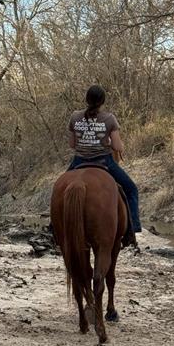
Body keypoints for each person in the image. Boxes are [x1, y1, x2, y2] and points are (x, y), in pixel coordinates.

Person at [67, 85, 141, 245]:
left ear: (86, 99)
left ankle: (53, 228)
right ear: (102, 101)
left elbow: (72, 144)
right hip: (103, 161)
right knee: (131, 189)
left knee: (58, 190)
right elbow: (117, 147)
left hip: (79, 161)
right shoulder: (109, 119)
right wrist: (107, 140)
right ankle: (132, 230)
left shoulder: (74, 116)